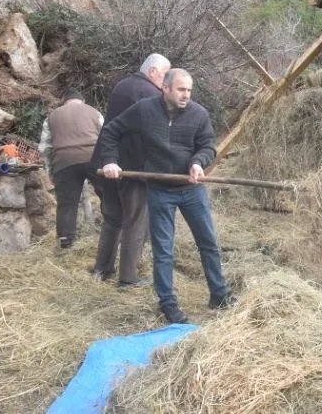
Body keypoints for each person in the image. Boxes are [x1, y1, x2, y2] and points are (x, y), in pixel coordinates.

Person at [98, 68, 235, 323]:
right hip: (160, 189)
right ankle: (168, 304)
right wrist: (110, 160)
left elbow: (208, 146)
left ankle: (219, 294)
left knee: (208, 242)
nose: (186, 95)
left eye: (189, 90)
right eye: (181, 89)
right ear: (165, 88)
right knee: (163, 250)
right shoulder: (144, 110)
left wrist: (198, 162)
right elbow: (111, 131)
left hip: (191, 189)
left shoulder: (198, 114)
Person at [91, 53, 171, 286]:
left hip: (107, 163)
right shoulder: (152, 94)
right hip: (133, 169)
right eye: (165, 74)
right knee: (135, 222)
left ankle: (102, 268)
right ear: (152, 71)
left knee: (112, 220)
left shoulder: (122, 86)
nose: (166, 81)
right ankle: (127, 278)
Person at [38, 89, 104, 249]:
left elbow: (45, 148)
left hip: (64, 162)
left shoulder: (52, 117)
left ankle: (65, 241)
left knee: (67, 203)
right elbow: (106, 137)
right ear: (83, 101)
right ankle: (113, 231)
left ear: (64, 102)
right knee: (108, 196)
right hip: (93, 158)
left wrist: (50, 171)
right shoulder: (94, 112)